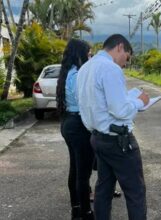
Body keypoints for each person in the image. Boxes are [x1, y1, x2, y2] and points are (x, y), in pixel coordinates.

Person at [77, 34, 149, 220]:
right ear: (119, 47)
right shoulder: (110, 69)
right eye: (127, 56)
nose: (126, 62)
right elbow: (120, 109)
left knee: (104, 188)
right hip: (119, 141)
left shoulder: (85, 68)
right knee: (135, 191)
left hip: (98, 137)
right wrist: (140, 102)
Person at [56, 39, 94, 220]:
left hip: (67, 123)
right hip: (78, 126)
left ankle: (76, 208)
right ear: (80, 55)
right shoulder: (78, 75)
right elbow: (85, 103)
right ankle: (86, 212)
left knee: (75, 168)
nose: (90, 57)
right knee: (83, 173)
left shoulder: (67, 73)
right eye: (88, 54)